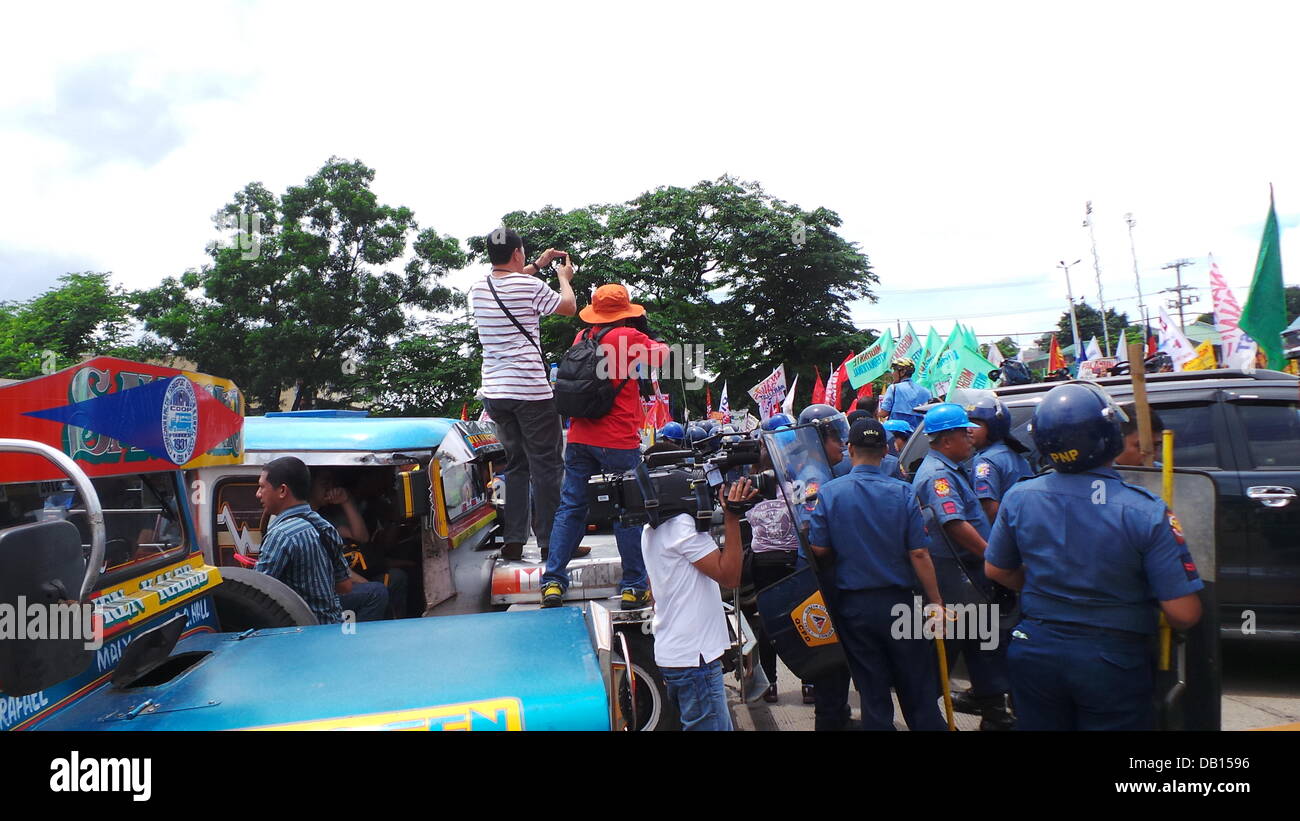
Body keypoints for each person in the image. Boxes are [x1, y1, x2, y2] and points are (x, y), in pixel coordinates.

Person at [984, 382, 1203, 730]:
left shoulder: (1020, 496)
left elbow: (997, 569)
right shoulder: (1144, 510)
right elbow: (1184, 613)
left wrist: (1044, 585)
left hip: (1034, 652)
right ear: (1109, 436)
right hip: (1112, 662)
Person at [806, 419, 948, 730]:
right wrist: (936, 601)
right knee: (920, 693)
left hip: (856, 609)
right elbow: (920, 553)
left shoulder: (830, 494)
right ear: (885, 451)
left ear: (850, 449)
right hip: (903, 605)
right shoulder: (903, 492)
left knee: (873, 696)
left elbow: (818, 550)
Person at [542, 284, 669, 609]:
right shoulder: (629, 338)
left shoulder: (582, 338)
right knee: (627, 511)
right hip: (618, 439)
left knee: (570, 507)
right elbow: (664, 357)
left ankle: (553, 581)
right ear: (625, 310)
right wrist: (646, 329)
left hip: (581, 436)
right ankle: (633, 587)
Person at [469, 228, 576, 562]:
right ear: (517, 253)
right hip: (529, 390)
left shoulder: (478, 288)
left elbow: (509, 282)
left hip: (495, 393)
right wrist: (564, 276)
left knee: (516, 465)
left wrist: (539, 265)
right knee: (547, 466)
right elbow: (568, 307)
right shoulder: (530, 286)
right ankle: (552, 542)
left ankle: (513, 539)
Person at [912, 403, 1014, 730]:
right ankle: (924, 717)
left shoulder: (951, 467)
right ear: (945, 439)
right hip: (953, 580)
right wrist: (991, 555)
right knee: (942, 654)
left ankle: (995, 716)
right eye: (962, 430)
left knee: (981, 645)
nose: (970, 435)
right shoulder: (938, 475)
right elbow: (954, 523)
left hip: (966, 577)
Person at [641, 477, 756, 730]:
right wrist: (732, 517)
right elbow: (730, 576)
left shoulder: (651, 528)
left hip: (675, 654)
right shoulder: (682, 528)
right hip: (696, 661)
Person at [745, 439, 812, 704]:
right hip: (792, 561)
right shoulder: (795, 488)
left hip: (762, 563)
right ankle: (810, 682)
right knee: (801, 618)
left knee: (767, 623)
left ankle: (770, 685)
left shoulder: (748, 490)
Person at [254, 456, 348, 625]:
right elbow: (345, 587)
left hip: (301, 639)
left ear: (282, 490)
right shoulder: (325, 526)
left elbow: (256, 595)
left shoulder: (280, 535)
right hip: (333, 630)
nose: (258, 494)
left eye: (262, 487)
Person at [308, 469, 390, 622]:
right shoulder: (305, 521)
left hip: (338, 583)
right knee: (376, 593)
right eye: (325, 483)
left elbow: (362, 538)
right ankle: (357, 641)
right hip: (320, 595)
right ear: (308, 485)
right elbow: (332, 570)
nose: (330, 487)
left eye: (332, 483)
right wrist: (366, 584)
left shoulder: (325, 517)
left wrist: (346, 500)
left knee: (394, 581)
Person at [967, 395, 1033, 524]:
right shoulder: (1011, 453)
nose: (968, 429)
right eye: (968, 423)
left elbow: (990, 510)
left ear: (993, 427)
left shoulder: (985, 462)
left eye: (976, 424)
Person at [878, 358, 931, 430]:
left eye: (894, 370)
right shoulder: (926, 391)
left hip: (896, 433)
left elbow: (884, 413)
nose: (893, 373)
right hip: (917, 436)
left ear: (902, 372)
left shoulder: (893, 388)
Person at [1114, 402, 1165, 467]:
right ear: (1118, 443)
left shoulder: (1165, 474)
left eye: (1156, 445)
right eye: (1141, 446)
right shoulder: (1100, 475)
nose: (1152, 454)